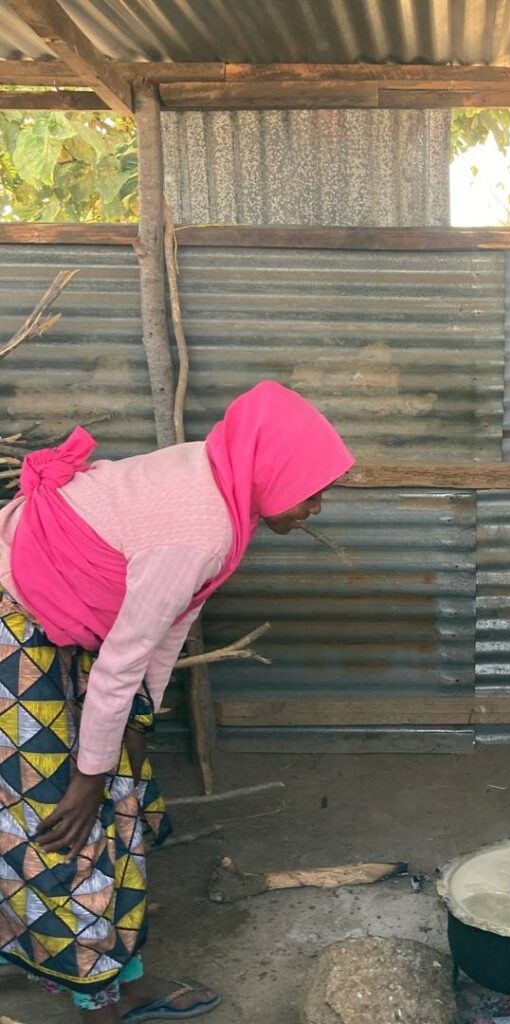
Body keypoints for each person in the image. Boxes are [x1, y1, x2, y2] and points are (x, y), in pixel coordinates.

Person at [0, 381, 354, 1022]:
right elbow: (123, 658)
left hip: (58, 613)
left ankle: (119, 973)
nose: (317, 508)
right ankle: (95, 996)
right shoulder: (201, 525)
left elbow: (166, 625)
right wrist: (85, 776)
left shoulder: (219, 478)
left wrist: (139, 718)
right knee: (61, 822)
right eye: (312, 490)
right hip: (15, 617)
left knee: (121, 791)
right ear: (270, 472)